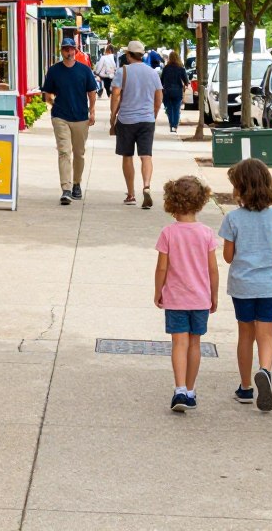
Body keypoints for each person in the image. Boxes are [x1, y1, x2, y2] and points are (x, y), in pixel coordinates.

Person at [219, 159, 272, 412]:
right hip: (268, 284)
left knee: (245, 335)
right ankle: (265, 371)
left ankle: (246, 387)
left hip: (243, 286)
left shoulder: (232, 219)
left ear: (239, 188)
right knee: (266, 335)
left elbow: (228, 257)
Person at [154, 176, 219, 413]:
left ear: (171, 201)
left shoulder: (168, 233)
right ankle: (191, 391)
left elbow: (162, 267)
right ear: (201, 201)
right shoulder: (206, 233)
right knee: (195, 343)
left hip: (176, 298)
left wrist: (158, 290)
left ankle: (179, 388)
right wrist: (214, 295)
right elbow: (212, 268)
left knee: (178, 343)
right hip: (200, 298)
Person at [42, 37, 97, 205]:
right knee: (64, 151)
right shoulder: (54, 71)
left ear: (75, 51)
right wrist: (52, 102)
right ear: (61, 51)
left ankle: (76, 184)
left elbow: (92, 91)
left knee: (79, 153)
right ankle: (66, 189)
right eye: (65, 49)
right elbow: (47, 92)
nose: (68, 52)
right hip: (60, 116)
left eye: (71, 49)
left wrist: (92, 110)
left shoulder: (84, 70)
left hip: (80, 117)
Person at [110, 40, 162, 208]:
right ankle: (146, 186)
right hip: (147, 119)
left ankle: (131, 194)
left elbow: (116, 94)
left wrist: (113, 115)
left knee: (127, 156)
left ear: (128, 55)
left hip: (126, 120)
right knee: (146, 155)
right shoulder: (153, 73)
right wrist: (154, 113)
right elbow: (158, 96)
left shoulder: (122, 71)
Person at [160, 51, 189, 133]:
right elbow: (186, 81)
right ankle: (175, 126)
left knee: (169, 109)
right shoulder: (181, 68)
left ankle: (171, 124)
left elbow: (161, 81)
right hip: (177, 91)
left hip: (167, 91)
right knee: (176, 109)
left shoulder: (166, 68)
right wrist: (186, 85)